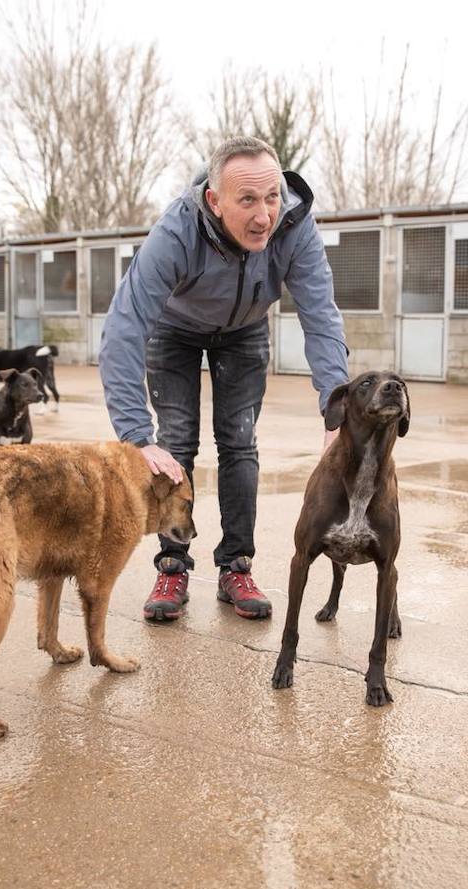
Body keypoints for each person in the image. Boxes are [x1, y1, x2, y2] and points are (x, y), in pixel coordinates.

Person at [99, 135, 348, 623]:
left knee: (238, 443)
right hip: (175, 330)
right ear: (214, 201)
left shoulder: (295, 226)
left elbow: (321, 316)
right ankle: (172, 565)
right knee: (175, 445)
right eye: (248, 200)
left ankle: (237, 564)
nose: (264, 216)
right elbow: (125, 326)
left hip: (245, 329)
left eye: (272, 196)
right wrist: (134, 437)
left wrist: (335, 412)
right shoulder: (177, 231)